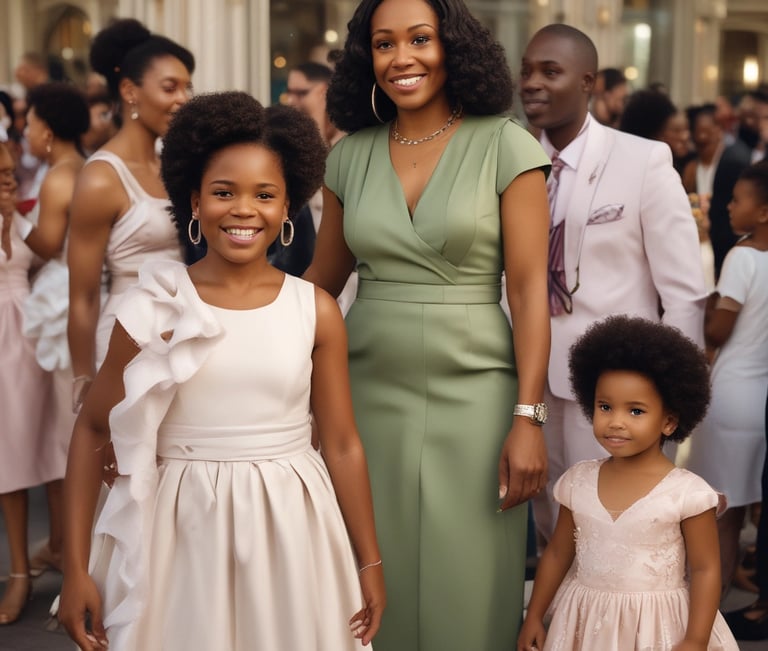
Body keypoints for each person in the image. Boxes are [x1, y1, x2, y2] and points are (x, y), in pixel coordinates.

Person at [58, 91, 385, 651]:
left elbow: (342, 443)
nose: (243, 209)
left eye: (265, 194)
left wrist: (369, 560)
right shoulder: (153, 307)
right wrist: (74, 568)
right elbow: (91, 430)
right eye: (223, 192)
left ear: (288, 208)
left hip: (292, 525)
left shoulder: (316, 310)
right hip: (179, 529)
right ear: (193, 200)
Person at [304, 0, 552, 648]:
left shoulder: (507, 143)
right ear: (367, 59)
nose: (402, 58)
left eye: (420, 39)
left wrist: (529, 416)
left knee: (470, 587)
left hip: (478, 393)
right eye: (384, 44)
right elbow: (318, 288)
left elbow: (528, 292)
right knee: (370, 575)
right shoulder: (348, 157)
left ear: (454, 47)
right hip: (365, 390)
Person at [519, 24, 707, 540]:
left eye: (549, 72)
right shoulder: (512, 160)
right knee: (550, 518)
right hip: (528, 376)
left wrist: (674, 396)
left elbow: (685, 293)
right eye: (527, 71)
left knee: (616, 528)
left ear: (588, 82)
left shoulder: (642, 160)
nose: (532, 83)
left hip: (617, 388)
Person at [517, 315, 738, 651]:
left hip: (657, 628)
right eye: (605, 407)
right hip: (586, 623)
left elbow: (706, 569)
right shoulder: (577, 482)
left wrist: (695, 639)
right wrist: (534, 615)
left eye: (635, 411)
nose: (616, 422)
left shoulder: (688, 494)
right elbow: (558, 553)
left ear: (668, 421)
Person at [67, 18, 194, 411]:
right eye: (170, 87)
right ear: (129, 91)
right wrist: (84, 376)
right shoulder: (101, 178)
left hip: (187, 328)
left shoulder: (172, 163)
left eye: (188, 87)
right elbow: (84, 295)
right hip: (129, 336)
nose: (183, 99)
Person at [9, 82, 90, 577]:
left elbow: (48, 241)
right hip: (70, 293)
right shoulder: (90, 164)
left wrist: (15, 226)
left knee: (66, 432)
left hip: (61, 297)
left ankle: (66, 546)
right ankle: (61, 542)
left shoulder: (62, 176)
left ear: (47, 129)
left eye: (32, 122)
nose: (28, 130)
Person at [686, 160, 768, 594]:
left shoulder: (742, 256)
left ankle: (706, 616)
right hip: (762, 403)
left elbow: (718, 330)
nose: (728, 205)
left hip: (731, 399)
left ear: (763, 211)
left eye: (737, 199)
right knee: (742, 513)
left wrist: (710, 300)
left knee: (717, 514)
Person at [0, 141, 54, 625]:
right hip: (2, 348)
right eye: (0, 174)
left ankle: (59, 547)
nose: (9, 180)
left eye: (11, 173)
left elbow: (51, 253)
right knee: (9, 459)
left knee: (53, 448)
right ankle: (18, 571)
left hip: (33, 339)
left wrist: (12, 213)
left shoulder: (18, 220)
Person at [683, 104, 752, 279]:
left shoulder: (734, 161)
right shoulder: (691, 166)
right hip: (697, 244)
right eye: (698, 131)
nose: (702, 136)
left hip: (726, 244)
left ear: (719, 130)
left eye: (707, 131)